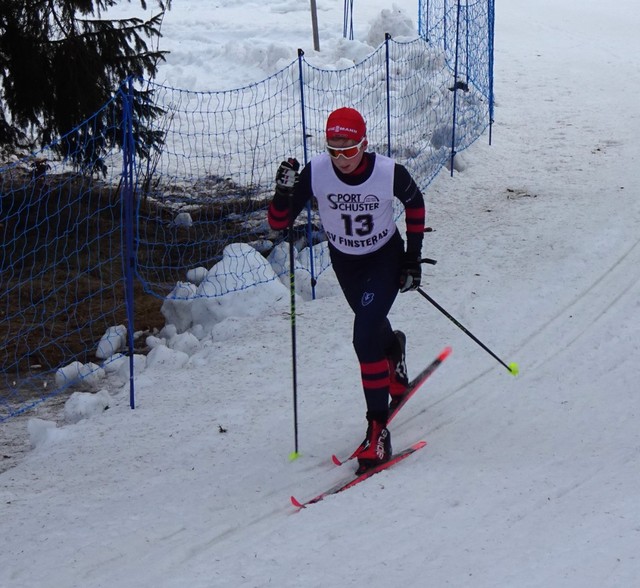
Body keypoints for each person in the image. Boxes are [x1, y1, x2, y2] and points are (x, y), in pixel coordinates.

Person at [268, 107, 425, 474]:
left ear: (364, 144)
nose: (340, 159)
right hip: (346, 262)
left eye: (348, 150)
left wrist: (412, 259)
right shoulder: (318, 170)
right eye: (333, 149)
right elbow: (279, 223)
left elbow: (415, 203)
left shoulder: (387, 172)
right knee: (371, 328)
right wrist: (282, 193)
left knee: (363, 332)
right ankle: (394, 351)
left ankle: (377, 430)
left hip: (384, 257)